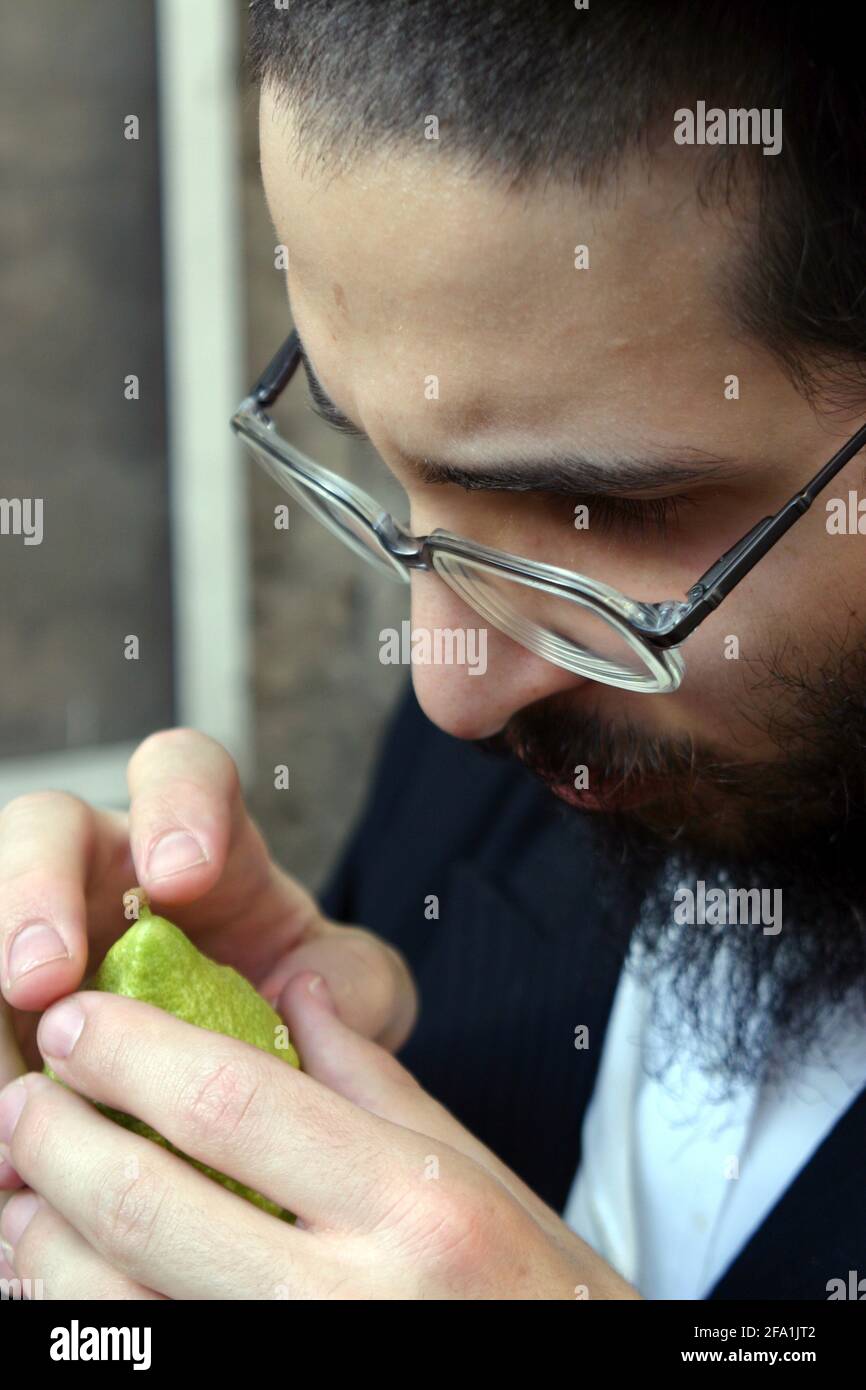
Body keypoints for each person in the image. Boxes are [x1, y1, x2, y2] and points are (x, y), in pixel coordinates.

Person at [1, 0, 864, 1300]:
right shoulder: (524, 756)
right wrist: (232, 1122)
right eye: (377, 467)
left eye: (605, 513)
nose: (445, 691)